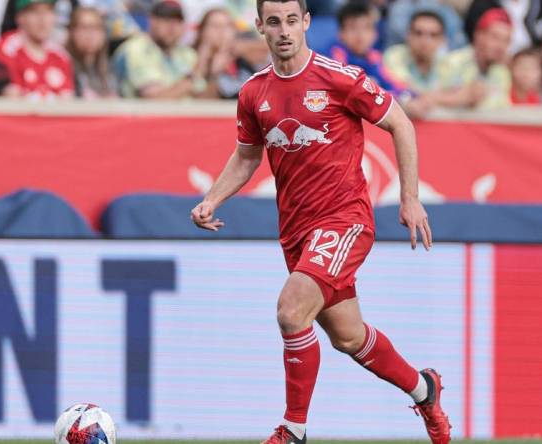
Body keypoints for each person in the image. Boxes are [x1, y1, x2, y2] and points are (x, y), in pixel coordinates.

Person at [190, 0, 451, 443]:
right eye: (274, 22)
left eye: (293, 21)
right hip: (296, 232)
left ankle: (293, 429)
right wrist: (212, 198)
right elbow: (248, 155)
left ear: (307, 23)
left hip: (344, 219)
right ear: (260, 27)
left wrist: (410, 199)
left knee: (291, 311)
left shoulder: (339, 78)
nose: (285, 30)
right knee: (349, 338)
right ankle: (424, 389)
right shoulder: (254, 92)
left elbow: (402, 124)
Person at [111, 0, 199, 98]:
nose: (172, 27)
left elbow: (204, 96)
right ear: (152, 21)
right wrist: (192, 79)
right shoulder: (136, 48)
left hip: (186, 113)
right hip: (140, 113)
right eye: (166, 20)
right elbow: (155, 99)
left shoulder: (187, 53)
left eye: (178, 21)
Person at [465, 0, 542, 87]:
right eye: (495, 37)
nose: (499, 45)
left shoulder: (537, 3)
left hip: (530, 63)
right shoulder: (482, 4)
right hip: (502, 65)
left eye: (506, 40)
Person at [0, 0, 75, 98]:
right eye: (35, 12)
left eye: (48, 11)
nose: (43, 19)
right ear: (20, 17)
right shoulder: (5, 50)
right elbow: (12, 98)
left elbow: (68, 101)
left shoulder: (61, 56)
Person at [436, 6, 513, 109]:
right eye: (495, 37)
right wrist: (461, 97)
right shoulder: (452, 63)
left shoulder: (503, 73)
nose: (501, 46)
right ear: (478, 35)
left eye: (506, 40)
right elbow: (427, 99)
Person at [329, 1, 407, 96]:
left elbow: (393, 84)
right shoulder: (335, 56)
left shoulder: (375, 56)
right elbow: (343, 89)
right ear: (340, 33)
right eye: (353, 28)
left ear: (376, 33)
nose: (360, 35)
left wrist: (411, 95)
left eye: (367, 27)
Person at [192, 7, 267, 99]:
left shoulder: (242, 58)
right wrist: (214, 74)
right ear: (202, 31)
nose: (222, 31)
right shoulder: (194, 61)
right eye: (215, 26)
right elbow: (200, 103)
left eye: (227, 26)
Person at [66, 6, 117, 97]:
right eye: (84, 27)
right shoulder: (63, 65)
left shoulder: (109, 69)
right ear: (71, 31)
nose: (90, 34)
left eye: (96, 28)